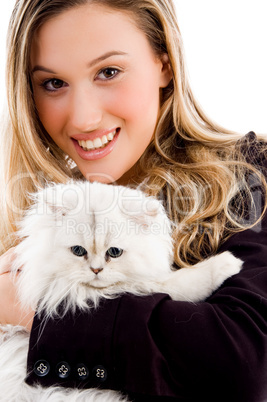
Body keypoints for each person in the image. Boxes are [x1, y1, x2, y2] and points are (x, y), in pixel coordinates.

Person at [0, 0, 267, 400]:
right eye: (53, 83)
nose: (83, 119)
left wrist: (35, 312)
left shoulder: (249, 175)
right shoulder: (39, 211)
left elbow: (246, 365)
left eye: (108, 72)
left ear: (164, 63)